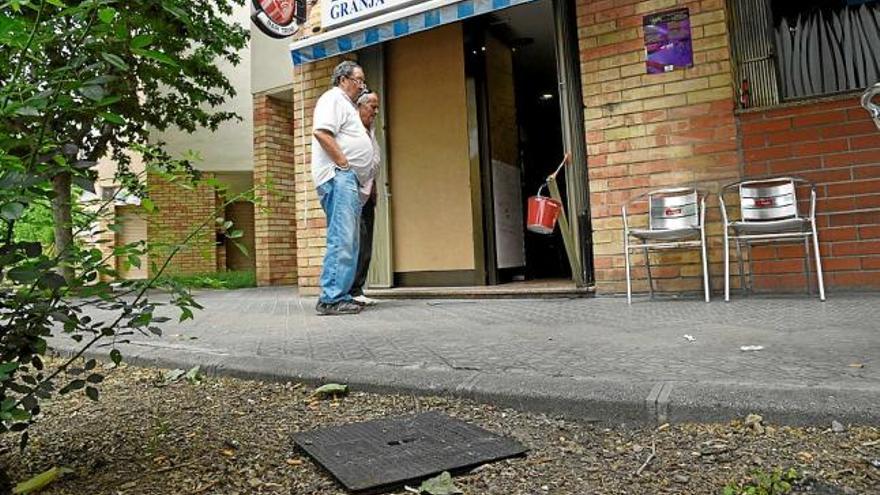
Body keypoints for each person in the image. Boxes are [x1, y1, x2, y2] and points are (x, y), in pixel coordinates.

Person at [311, 61, 374, 316]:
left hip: (347, 180)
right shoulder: (333, 98)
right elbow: (322, 133)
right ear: (343, 80)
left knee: (350, 239)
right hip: (339, 177)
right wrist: (345, 165)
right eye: (359, 80)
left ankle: (342, 294)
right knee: (343, 238)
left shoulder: (346, 105)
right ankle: (331, 298)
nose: (362, 86)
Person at [350, 90, 381, 306]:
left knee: (367, 242)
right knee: (356, 242)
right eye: (373, 106)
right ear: (360, 106)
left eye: (377, 107)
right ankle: (350, 290)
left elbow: (372, 162)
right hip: (352, 191)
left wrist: (375, 187)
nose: (376, 111)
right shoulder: (352, 129)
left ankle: (357, 289)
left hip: (368, 192)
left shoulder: (371, 130)